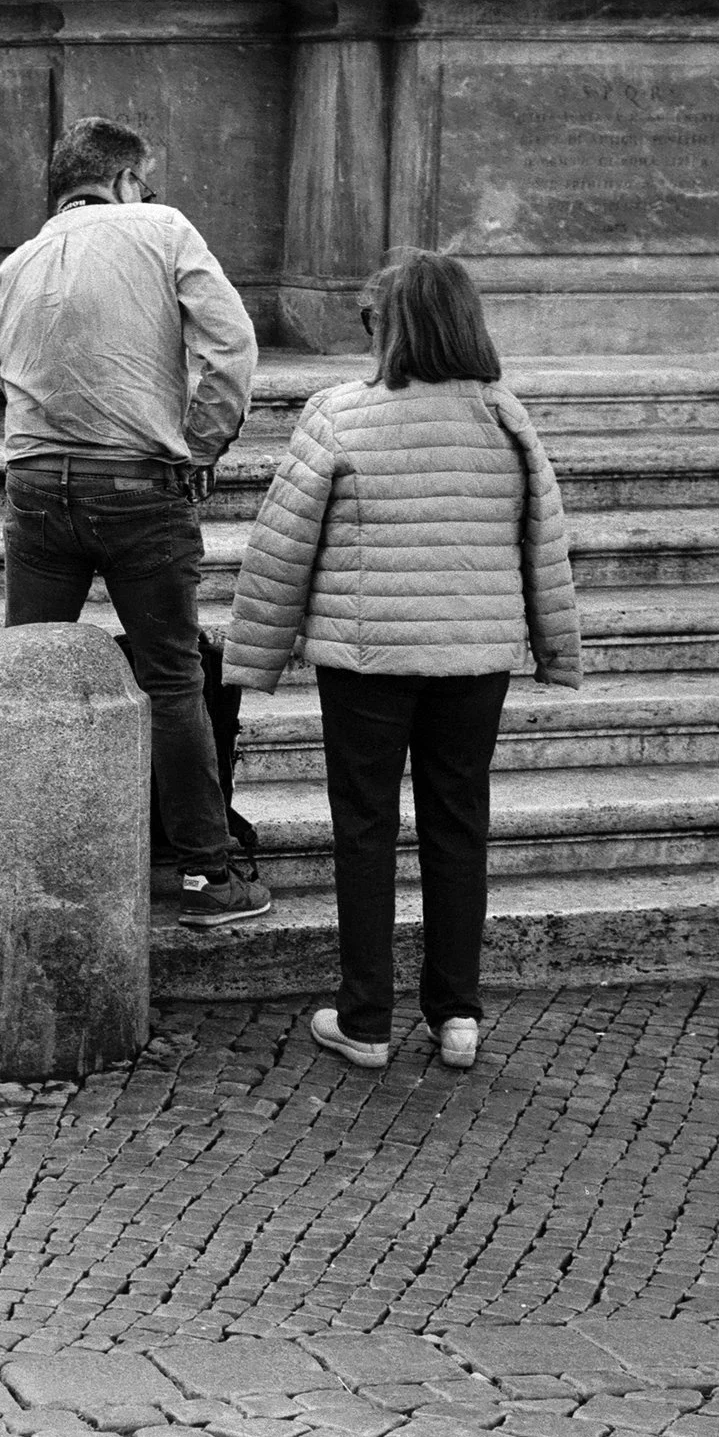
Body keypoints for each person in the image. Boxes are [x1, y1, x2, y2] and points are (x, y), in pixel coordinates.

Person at [225, 250, 581, 1073]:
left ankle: (367, 1019)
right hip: (475, 658)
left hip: (367, 655)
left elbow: (280, 550)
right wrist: (553, 646)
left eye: (370, 320)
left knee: (366, 828)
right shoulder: (505, 416)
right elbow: (544, 544)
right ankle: (457, 1016)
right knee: (460, 826)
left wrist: (254, 658)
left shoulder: (340, 415)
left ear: (394, 328)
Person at [0, 116, 271, 926]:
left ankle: (18, 862)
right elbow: (233, 347)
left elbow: (3, 369)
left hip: (36, 485)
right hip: (140, 483)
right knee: (173, 677)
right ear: (121, 181)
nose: (147, 196)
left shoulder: (16, 263)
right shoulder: (162, 228)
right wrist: (203, 444)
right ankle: (207, 877)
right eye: (143, 183)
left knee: (25, 672)